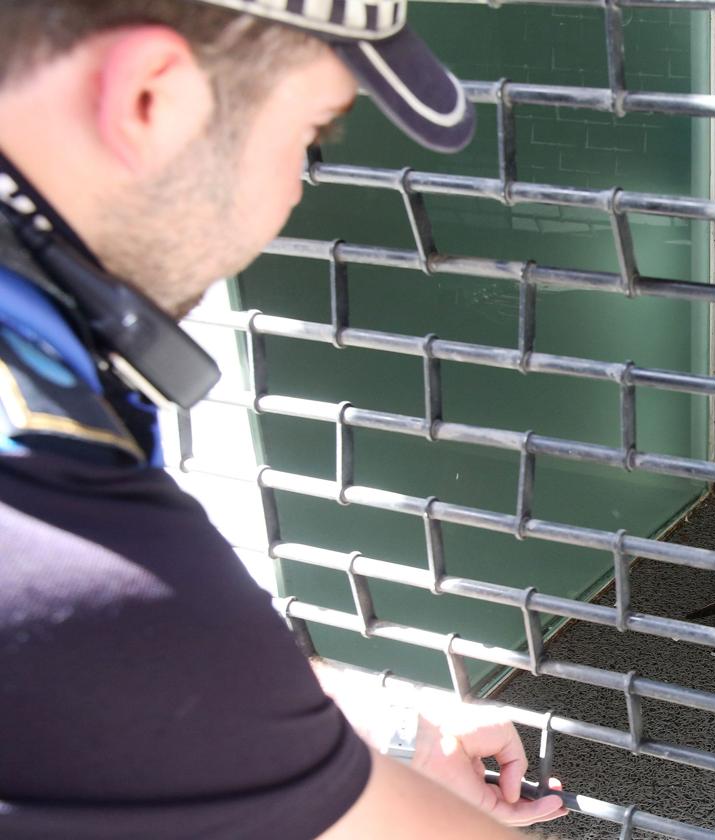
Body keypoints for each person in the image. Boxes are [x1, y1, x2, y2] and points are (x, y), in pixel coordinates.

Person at [0, 1, 566, 837]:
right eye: (311, 132)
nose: (299, 184)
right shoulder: (70, 535)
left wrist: (398, 732)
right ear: (151, 98)